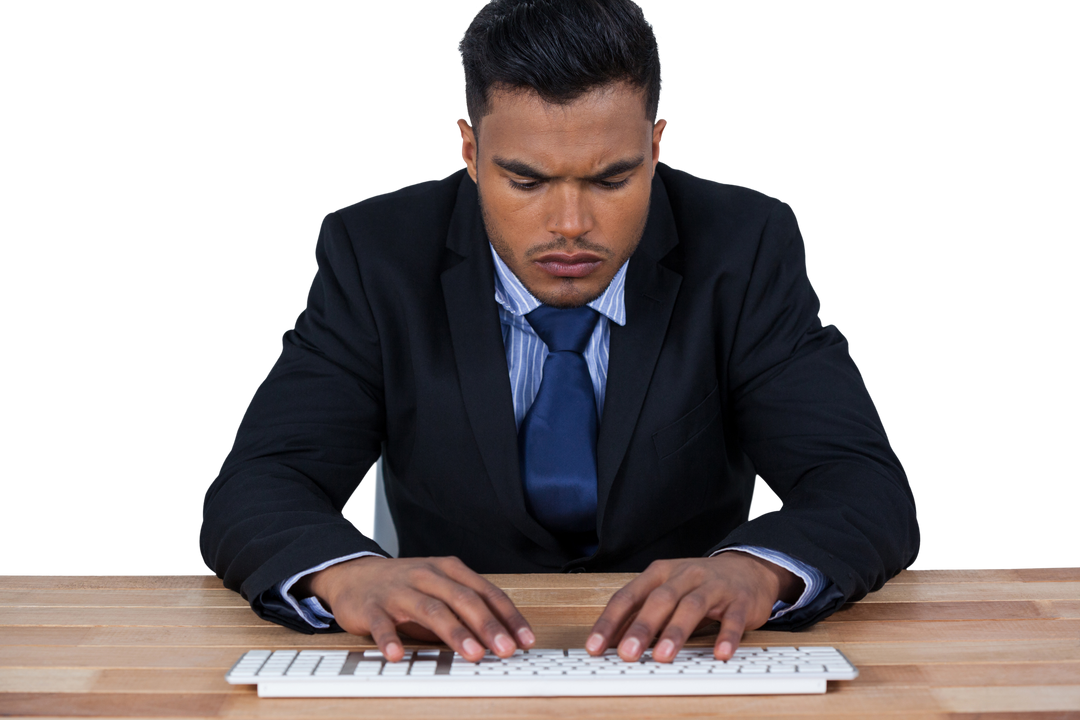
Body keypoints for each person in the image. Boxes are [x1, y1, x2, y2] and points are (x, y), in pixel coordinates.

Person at [197, 0, 920, 667]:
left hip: (692, 664)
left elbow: (859, 482)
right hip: (444, 668)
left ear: (657, 145)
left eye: (610, 180)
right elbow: (264, 479)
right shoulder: (374, 252)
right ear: (470, 151)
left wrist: (758, 569)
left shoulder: (746, 244)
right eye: (526, 181)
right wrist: (345, 572)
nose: (570, 225)